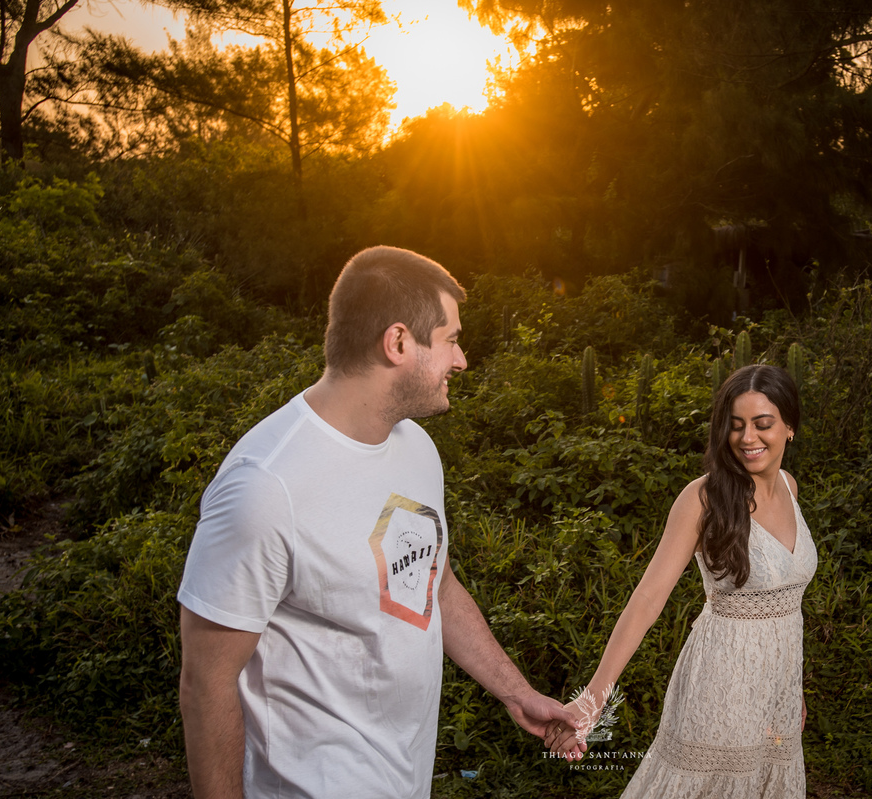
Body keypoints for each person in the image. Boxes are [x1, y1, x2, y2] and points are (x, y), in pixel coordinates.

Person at [177, 246, 580, 799]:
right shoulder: (264, 488)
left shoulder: (416, 447)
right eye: (451, 340)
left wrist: (516, 692)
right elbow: (207, 682)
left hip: (403, 775)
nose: (461, 361)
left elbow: (433, 583)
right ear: (397, 343)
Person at [545, 363, 818, 797]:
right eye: (736, 425)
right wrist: (593, 699)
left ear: (789, 427)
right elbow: (648, 599)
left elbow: (786, 611)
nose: (748, 438)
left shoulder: (789, 486)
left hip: (777, 701)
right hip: (721, 686)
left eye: (763, 424)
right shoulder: (702, 498)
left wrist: (790, 691)